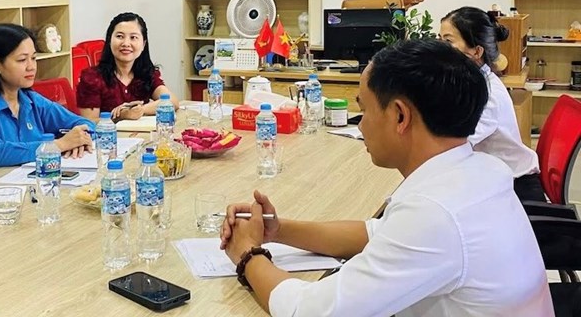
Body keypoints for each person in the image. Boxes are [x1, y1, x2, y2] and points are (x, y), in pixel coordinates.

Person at [220, 40, 552, 317]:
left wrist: (247, 254)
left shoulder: (436, 213)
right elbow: (374, 233)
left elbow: (307, 311)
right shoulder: (479, 169)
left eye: (364, 109)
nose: (361, 125)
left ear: (399, 115)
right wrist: (279, 230)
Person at [440, 6, 545, 202]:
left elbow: (455, 144)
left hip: (516, 189)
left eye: (448, 41)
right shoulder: (472, 81)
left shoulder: (489, 95)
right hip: (490, 178)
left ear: (476, 51)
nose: (440, 48)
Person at [0, 23, 94, 169]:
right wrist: (59, 145)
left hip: (31, 181)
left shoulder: (31, 100)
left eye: (34, 58)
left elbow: (86, 124)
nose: (31, 67)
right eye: (22, 60)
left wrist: (80, 139)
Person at [76, 12, 178, 122]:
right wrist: (121, 115)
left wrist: (140, 110)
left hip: (141, 137)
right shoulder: (92, 78)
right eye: (120, 36)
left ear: (143, 44)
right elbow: (89, 122)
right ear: (109, 40)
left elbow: (172, 101)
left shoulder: (146, 73)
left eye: (133, 37)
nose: (126, 43)